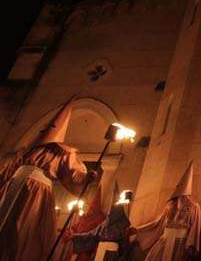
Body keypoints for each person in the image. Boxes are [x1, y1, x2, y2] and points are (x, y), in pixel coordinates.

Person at [0, 96, 96, 261]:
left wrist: (87, 178)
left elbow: (72, 173)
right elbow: (6, 171)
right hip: (13, 187)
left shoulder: (61, 151)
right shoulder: (25, 151)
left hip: (36, 191)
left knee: (25, 229)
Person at [135, 161, 201, 261]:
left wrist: (190, 244)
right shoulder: (170, 205)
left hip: (180, 243)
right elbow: (158, 223)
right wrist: (137, 230)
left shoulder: (194, 206)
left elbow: (194, 228)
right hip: (165, 241)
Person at [69, 183, 133, 260]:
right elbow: (91, 235)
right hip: (99, 252)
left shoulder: (124, 224)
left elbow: (125, 245)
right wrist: (75, 236)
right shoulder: (105, 224)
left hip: (112, 255)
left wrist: (127, 235)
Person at [63, 184, 107, 261]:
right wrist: (70, 232)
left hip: (86, 250)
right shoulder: (85, 217)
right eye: (91, 207)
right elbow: (75, 227)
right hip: (76, 249)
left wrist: (75, 236)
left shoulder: (100, 219)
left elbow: (94, 234)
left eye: (92, 208)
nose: (91, 209)